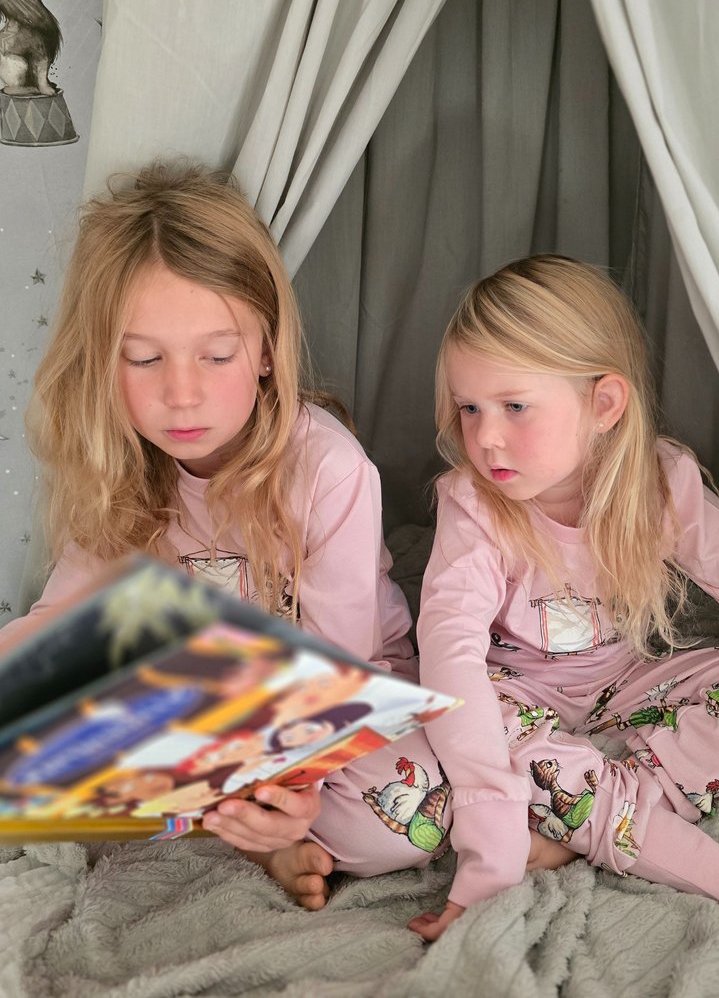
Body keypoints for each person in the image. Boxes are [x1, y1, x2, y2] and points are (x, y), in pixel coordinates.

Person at [2, 160, 452, 911]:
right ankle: (246, 827)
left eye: (216, 356)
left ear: (268, 352)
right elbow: (63, 621)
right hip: (197, 704)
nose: (183, 393)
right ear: (105, 362)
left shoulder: (329, 468)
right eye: (144, 358)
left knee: (406, 825)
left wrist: (293, 791)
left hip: (329, 694)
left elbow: (335, 671)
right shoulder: (118, 467)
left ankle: (259, 831)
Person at [408, 254, 719, 942]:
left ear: (604, 405)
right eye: (470, 408)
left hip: (626, 680)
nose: (485, 435)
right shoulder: (473, 504)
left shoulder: (660, 484)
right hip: (516, 689)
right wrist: (486, 848)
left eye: (514, 406)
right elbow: (450, 651)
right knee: (476, 724)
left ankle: (573, 830)